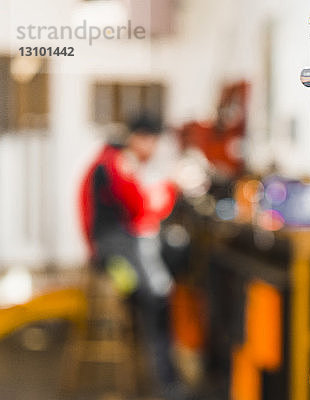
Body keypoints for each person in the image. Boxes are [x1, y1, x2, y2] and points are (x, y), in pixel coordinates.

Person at [79, 113, 188, 400]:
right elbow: (141, 209)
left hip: (110, 254)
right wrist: (171, 187)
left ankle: (160, 372)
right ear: (140, 138)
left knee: (162, 267)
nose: (153, 149)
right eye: (152, 141)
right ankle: (168, 384)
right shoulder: (117, 162)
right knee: (157, 295)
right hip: (113, 259)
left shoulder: (107, 160)